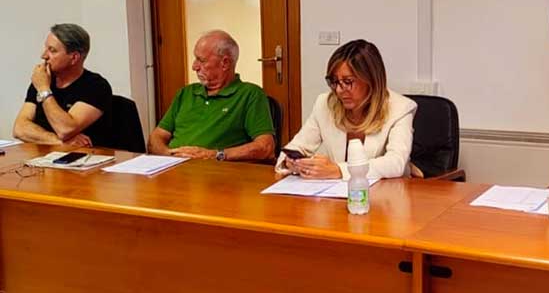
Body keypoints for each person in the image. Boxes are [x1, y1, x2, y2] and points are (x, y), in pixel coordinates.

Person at [275, 39, 416, 179]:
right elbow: (296, 147)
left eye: (348, 82)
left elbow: (395, 163)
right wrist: (291, 163)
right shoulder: (325, 103)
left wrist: (339, 170)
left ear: (371, 80)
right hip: (336, 190)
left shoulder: (400, 108)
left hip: (387, 190)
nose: (339, 90)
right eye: (334, 81)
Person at [148, 30, 275, 161]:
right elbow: (156, 137)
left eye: (201, 60)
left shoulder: (250, 94)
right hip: (172, 166)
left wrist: (215, 155)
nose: (194, 67)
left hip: (213, 169)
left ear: (225, 63)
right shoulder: (185, 93)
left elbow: (266, 147)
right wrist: (168, 155)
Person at [13, 24, 113, 148]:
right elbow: (19, 128)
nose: (44, 56)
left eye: (52, 50)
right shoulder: (43, 79)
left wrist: (44, 89)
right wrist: (58, 141)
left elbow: (65, 129)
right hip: (46, 154)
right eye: (46, 48)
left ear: (74, 58)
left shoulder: (96, 86)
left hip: (87, 156)